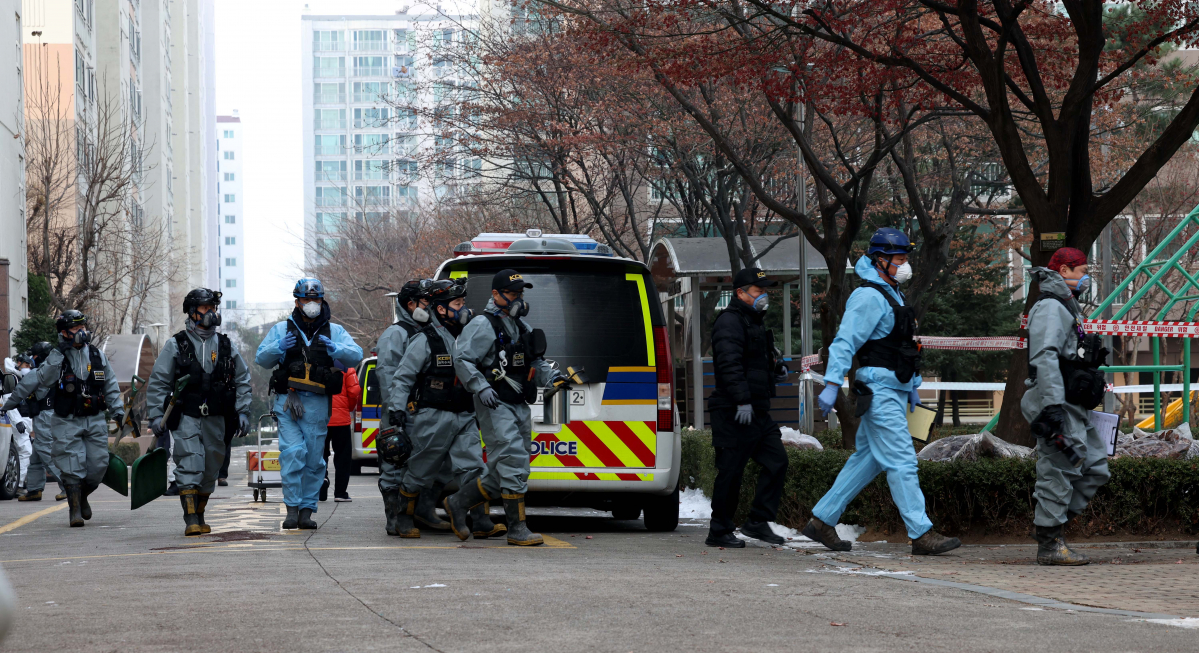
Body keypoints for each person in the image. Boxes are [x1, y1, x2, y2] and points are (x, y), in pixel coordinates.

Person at [804, 228, 960, 556]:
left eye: (906, 257)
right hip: (879, 391)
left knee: (870, 459)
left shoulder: (891, 293)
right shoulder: (869, 296)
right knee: (902, 460)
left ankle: (821, 520)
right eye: (899, 259)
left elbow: (902, 346)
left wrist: (913, 386)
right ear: (880, 260)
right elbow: (845, 342)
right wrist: (832, 384)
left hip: (892, 388)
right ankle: (921, 533)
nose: (905, 265)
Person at [443, 269, 563, 546]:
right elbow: (461, 358)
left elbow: (536, 361)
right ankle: (517, 528)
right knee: (512, 460)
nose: (518, 299)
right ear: (495, 294)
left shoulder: (521, 327)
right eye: (512, 293)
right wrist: (480, 386)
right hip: (494, 403)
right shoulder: (483, 324)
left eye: (520, 294)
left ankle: (458, 503)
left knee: (505, 470)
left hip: (518, 403)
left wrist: (552, 378)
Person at [391, 279, 503, 540]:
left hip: (465, 413)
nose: (464, 308)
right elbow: (403, 377)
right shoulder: (425, 339)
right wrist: (397, 408)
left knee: (474, 468)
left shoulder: (469, 337)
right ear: (441, 309)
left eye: (463, 303)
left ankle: (481, 522)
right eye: (458, 304)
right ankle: (404, 519)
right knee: (419, 469)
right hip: (433, 415)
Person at [1022, 247, 1111, 565]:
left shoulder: (1067, 307)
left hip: (1072, 405)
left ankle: (1051, 525)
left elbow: (1062, 353)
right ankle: (1049, 541)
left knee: (1096, 467)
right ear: (1063, 271)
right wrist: (1051, 406)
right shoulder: (1049, 308)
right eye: (1081, 270)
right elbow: (1044, 356)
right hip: (1055, 403)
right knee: (1059, 469)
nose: (1086, 276)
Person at [256, 278, 362, 530]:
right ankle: (292, 509)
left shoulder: (334, 331)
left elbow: (355, 355)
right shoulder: (282, 330)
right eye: (306, 299)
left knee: (315, 460)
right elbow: (262, 358)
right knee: (293, 453)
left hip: (317, 403)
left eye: (315, 299)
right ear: (297, 302)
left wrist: (336, 350)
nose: (311, 304)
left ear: (322, 300)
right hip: (287, 402)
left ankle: (307, 510)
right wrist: (277, 347)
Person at [146, 289, 253, 536]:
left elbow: (243, 379)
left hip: (216, 416)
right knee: (190, 462)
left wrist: (243, 410)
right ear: (192, 312)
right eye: (205, 308)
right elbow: (159, 381)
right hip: (186, 416)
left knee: (210, 467)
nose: (211, 313)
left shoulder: (226, 345)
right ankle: (190, 518)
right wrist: (155, 414)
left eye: (213, 308)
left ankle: (201, 515)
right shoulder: (177, 344)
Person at [704, 267, 790, 548]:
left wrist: (774, 370)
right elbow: (729, 365)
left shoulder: (753, 321)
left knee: (777, 461)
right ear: (740, 293)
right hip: (734, 410)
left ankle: (757, 521)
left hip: (757, 410)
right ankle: (719, 529)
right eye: (758, 290)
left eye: (765, 290)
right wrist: (741, 400)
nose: (763, 295)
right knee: (731, 470)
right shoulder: (730, 321)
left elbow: (753, 363)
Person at [32, 311, 123, 527]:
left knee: (99, 464)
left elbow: (110, 384)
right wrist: (58, 354)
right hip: (67, 419)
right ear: (64, 333)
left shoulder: (97, 355)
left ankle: (82, 496)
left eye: (83, 327)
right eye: (76, 328)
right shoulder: (56, 356)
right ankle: (74, 511)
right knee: (71, 465)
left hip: (94, 417)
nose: (82, 332)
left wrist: (119, 411)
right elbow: (43, 380)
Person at [374, 279, 434, 536]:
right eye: (425, 302)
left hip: (422, 410)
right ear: (411, 304)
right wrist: (396, 411)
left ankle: (418, 514)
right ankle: (394, 518)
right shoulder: (395, 334)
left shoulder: (429, 332)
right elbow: (387, 375)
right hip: (399, 411)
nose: (430, 307)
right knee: (394, 460)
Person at [322, 360, 361, 502]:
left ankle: (321, 483)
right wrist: (348, 408)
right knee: (343, 458)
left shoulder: (316, 362)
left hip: (320, 418)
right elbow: (354, 391)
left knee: (320, 454)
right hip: (341, 420)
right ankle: (340, 493)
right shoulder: (346, 366)